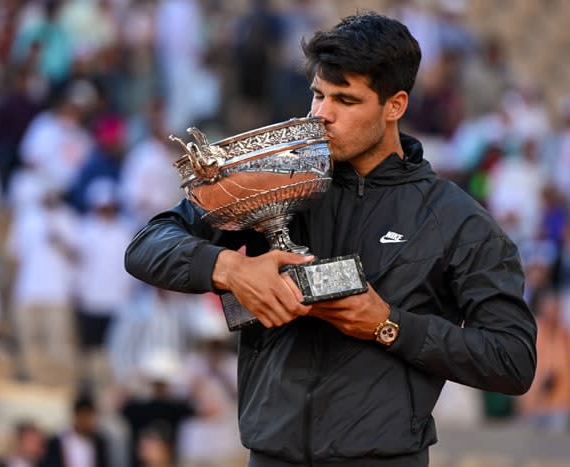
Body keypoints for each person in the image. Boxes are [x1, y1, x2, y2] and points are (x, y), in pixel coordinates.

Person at [125, 11, 537, 467]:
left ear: (395, 105)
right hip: (270, 456)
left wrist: (389, 324)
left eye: (345, 100)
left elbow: (512, 359)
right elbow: (146, 245)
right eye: (318, 94)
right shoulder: (272, 177)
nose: (322, 114)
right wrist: (233, 271)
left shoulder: (455, 219)